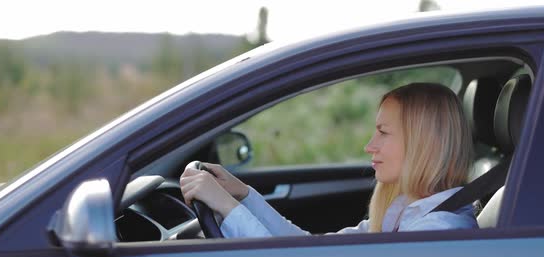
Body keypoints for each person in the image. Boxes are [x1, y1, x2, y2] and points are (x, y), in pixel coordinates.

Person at [180, 82, 478, 238]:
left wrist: (225, 207)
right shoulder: (404, 212)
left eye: (383, 133)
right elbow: (310, 251)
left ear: (422, 142)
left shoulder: (436, 233)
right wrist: (243, 195)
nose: (369, 146)